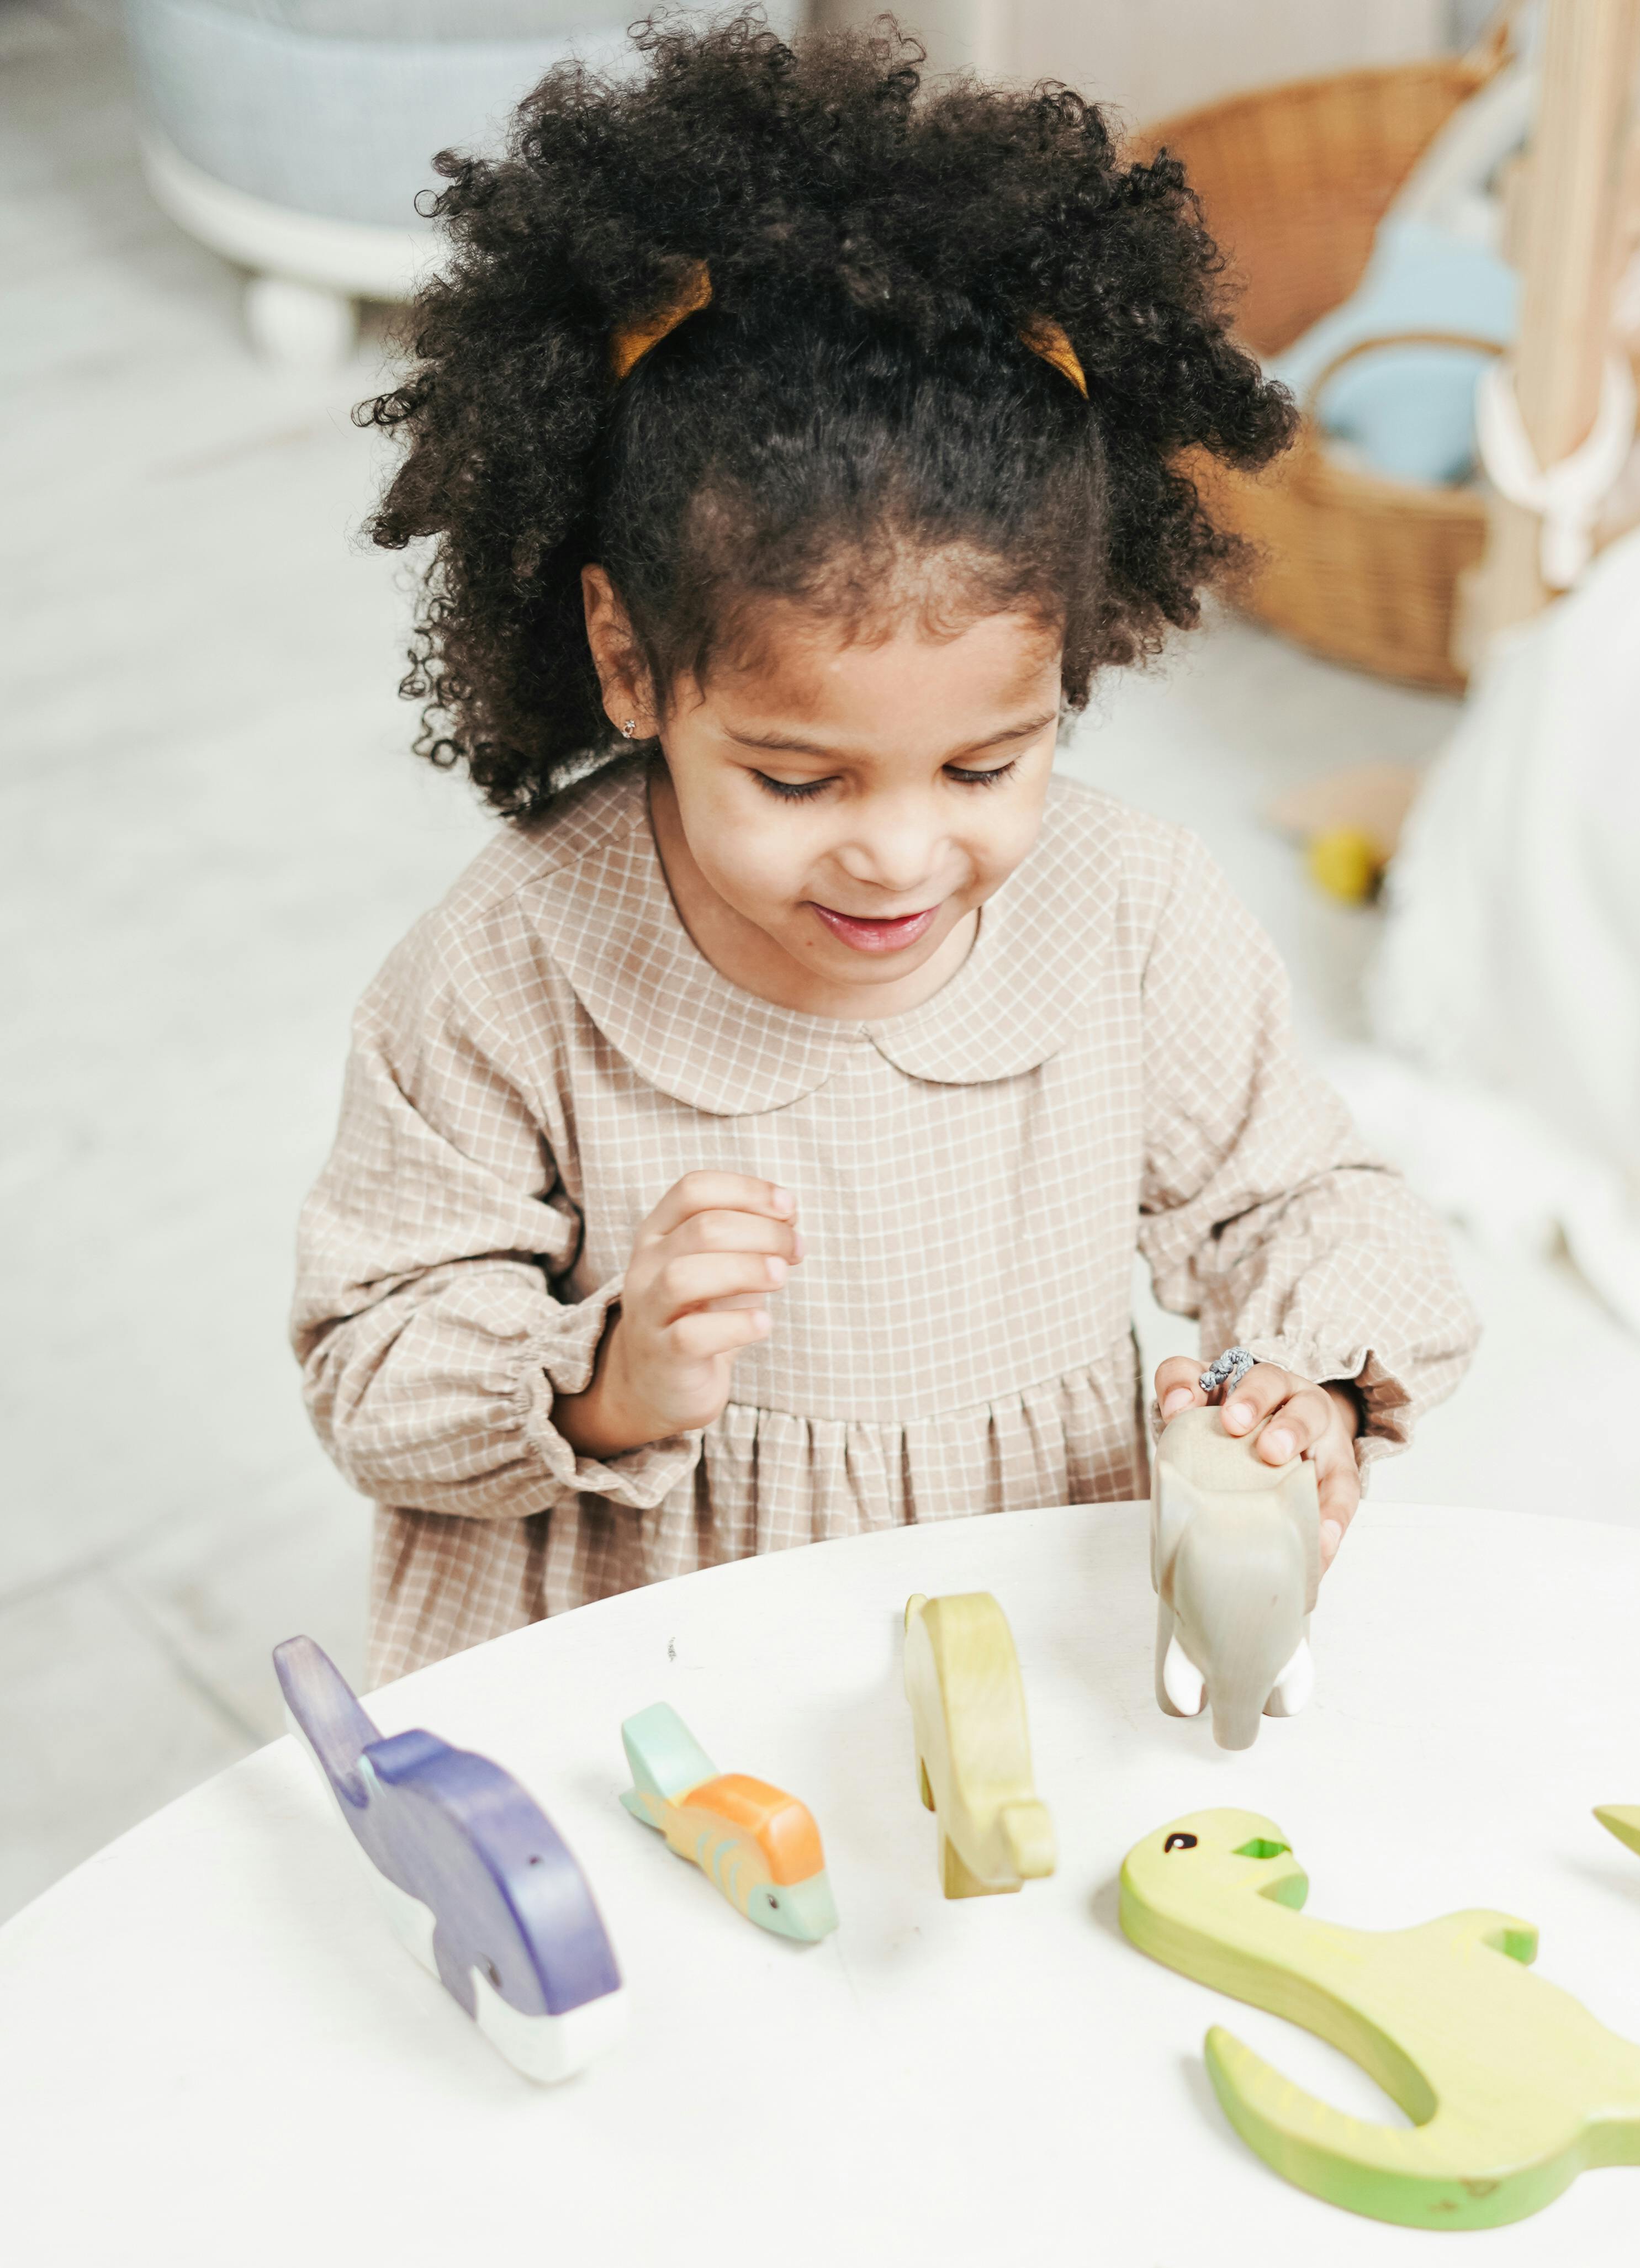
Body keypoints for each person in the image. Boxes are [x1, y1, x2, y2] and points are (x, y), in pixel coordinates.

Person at [293, 13, 1475, 1681]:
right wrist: (605, 1372)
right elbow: (373, 1365)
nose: (904, 856)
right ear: (631, 663)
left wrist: (1313, 1381)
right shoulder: (512, 964)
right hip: (659, 1659)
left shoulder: (1128, 911)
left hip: (1026, 1613)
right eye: (798, 781)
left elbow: (1302, 1198)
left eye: (989, 763)